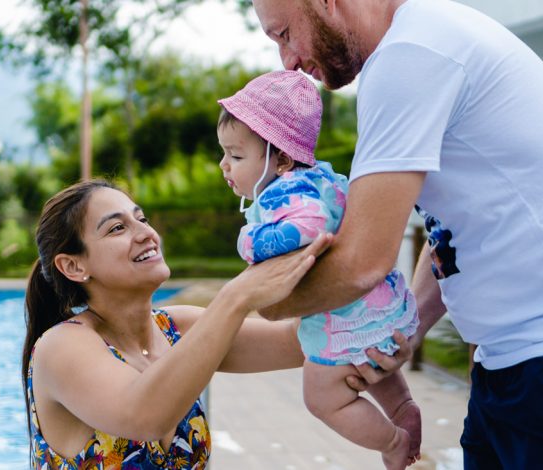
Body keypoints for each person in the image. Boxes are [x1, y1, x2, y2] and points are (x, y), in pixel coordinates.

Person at [248, 0, 543, 468]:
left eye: (283, 34)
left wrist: (261, 299)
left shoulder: (409, 56)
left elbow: (362, 261)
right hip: (519, 365)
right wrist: (408, 328)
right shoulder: (425, 36)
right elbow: (452, 224)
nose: (288, 61)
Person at [22, 179, 339, 469]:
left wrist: (374, 318)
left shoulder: (177, 329)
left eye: (141, 219)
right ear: (73, 266)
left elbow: (300, 341)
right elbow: (145, 415)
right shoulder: (61, 347)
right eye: (117, 228)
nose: (146, 233)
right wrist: (235, 298)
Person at [217, 70, 421, 469]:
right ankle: (404, 408)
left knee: (322, 396)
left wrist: (249, 241)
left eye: (237, 155)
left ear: (282, 159)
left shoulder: (286, 191)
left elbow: (309, 224)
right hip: (380, 311)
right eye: (224, 153)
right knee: (368, 358)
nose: (225, 165)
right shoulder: (322, 178)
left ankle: (393, 440)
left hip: (350, 318)